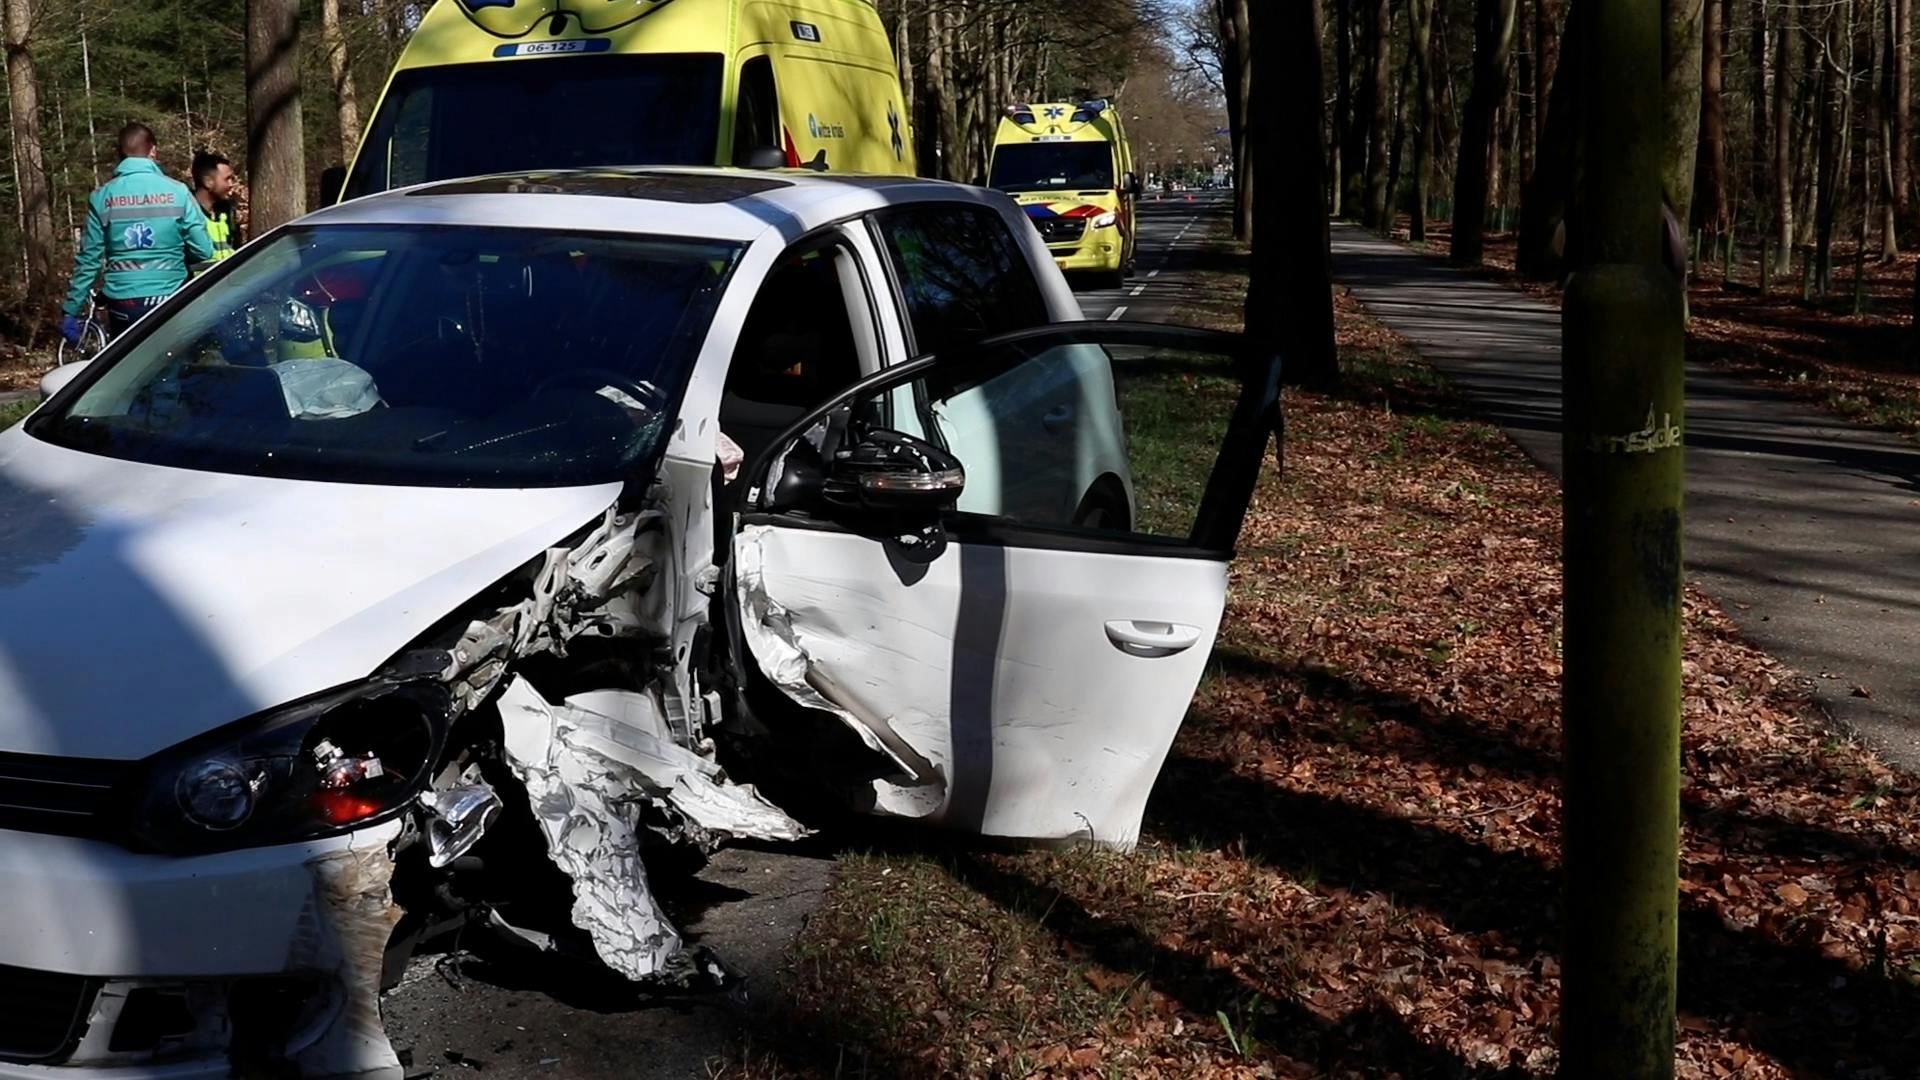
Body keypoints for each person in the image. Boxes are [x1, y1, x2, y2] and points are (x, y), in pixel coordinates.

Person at [62, 122, 214, 343]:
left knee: (130, 372)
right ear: (153, 150)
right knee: (173, 367)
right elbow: (203, 250)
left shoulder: (102, 196)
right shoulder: (178, 192)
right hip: (170, 298)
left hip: (123, 304)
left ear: (119, 153)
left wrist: (71, 309)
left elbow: (89, 260)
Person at [189, 150, 240, 272]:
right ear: (208, 182)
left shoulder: (227, 213)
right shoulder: (188, 214)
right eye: (227, 179)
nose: (231, 184)